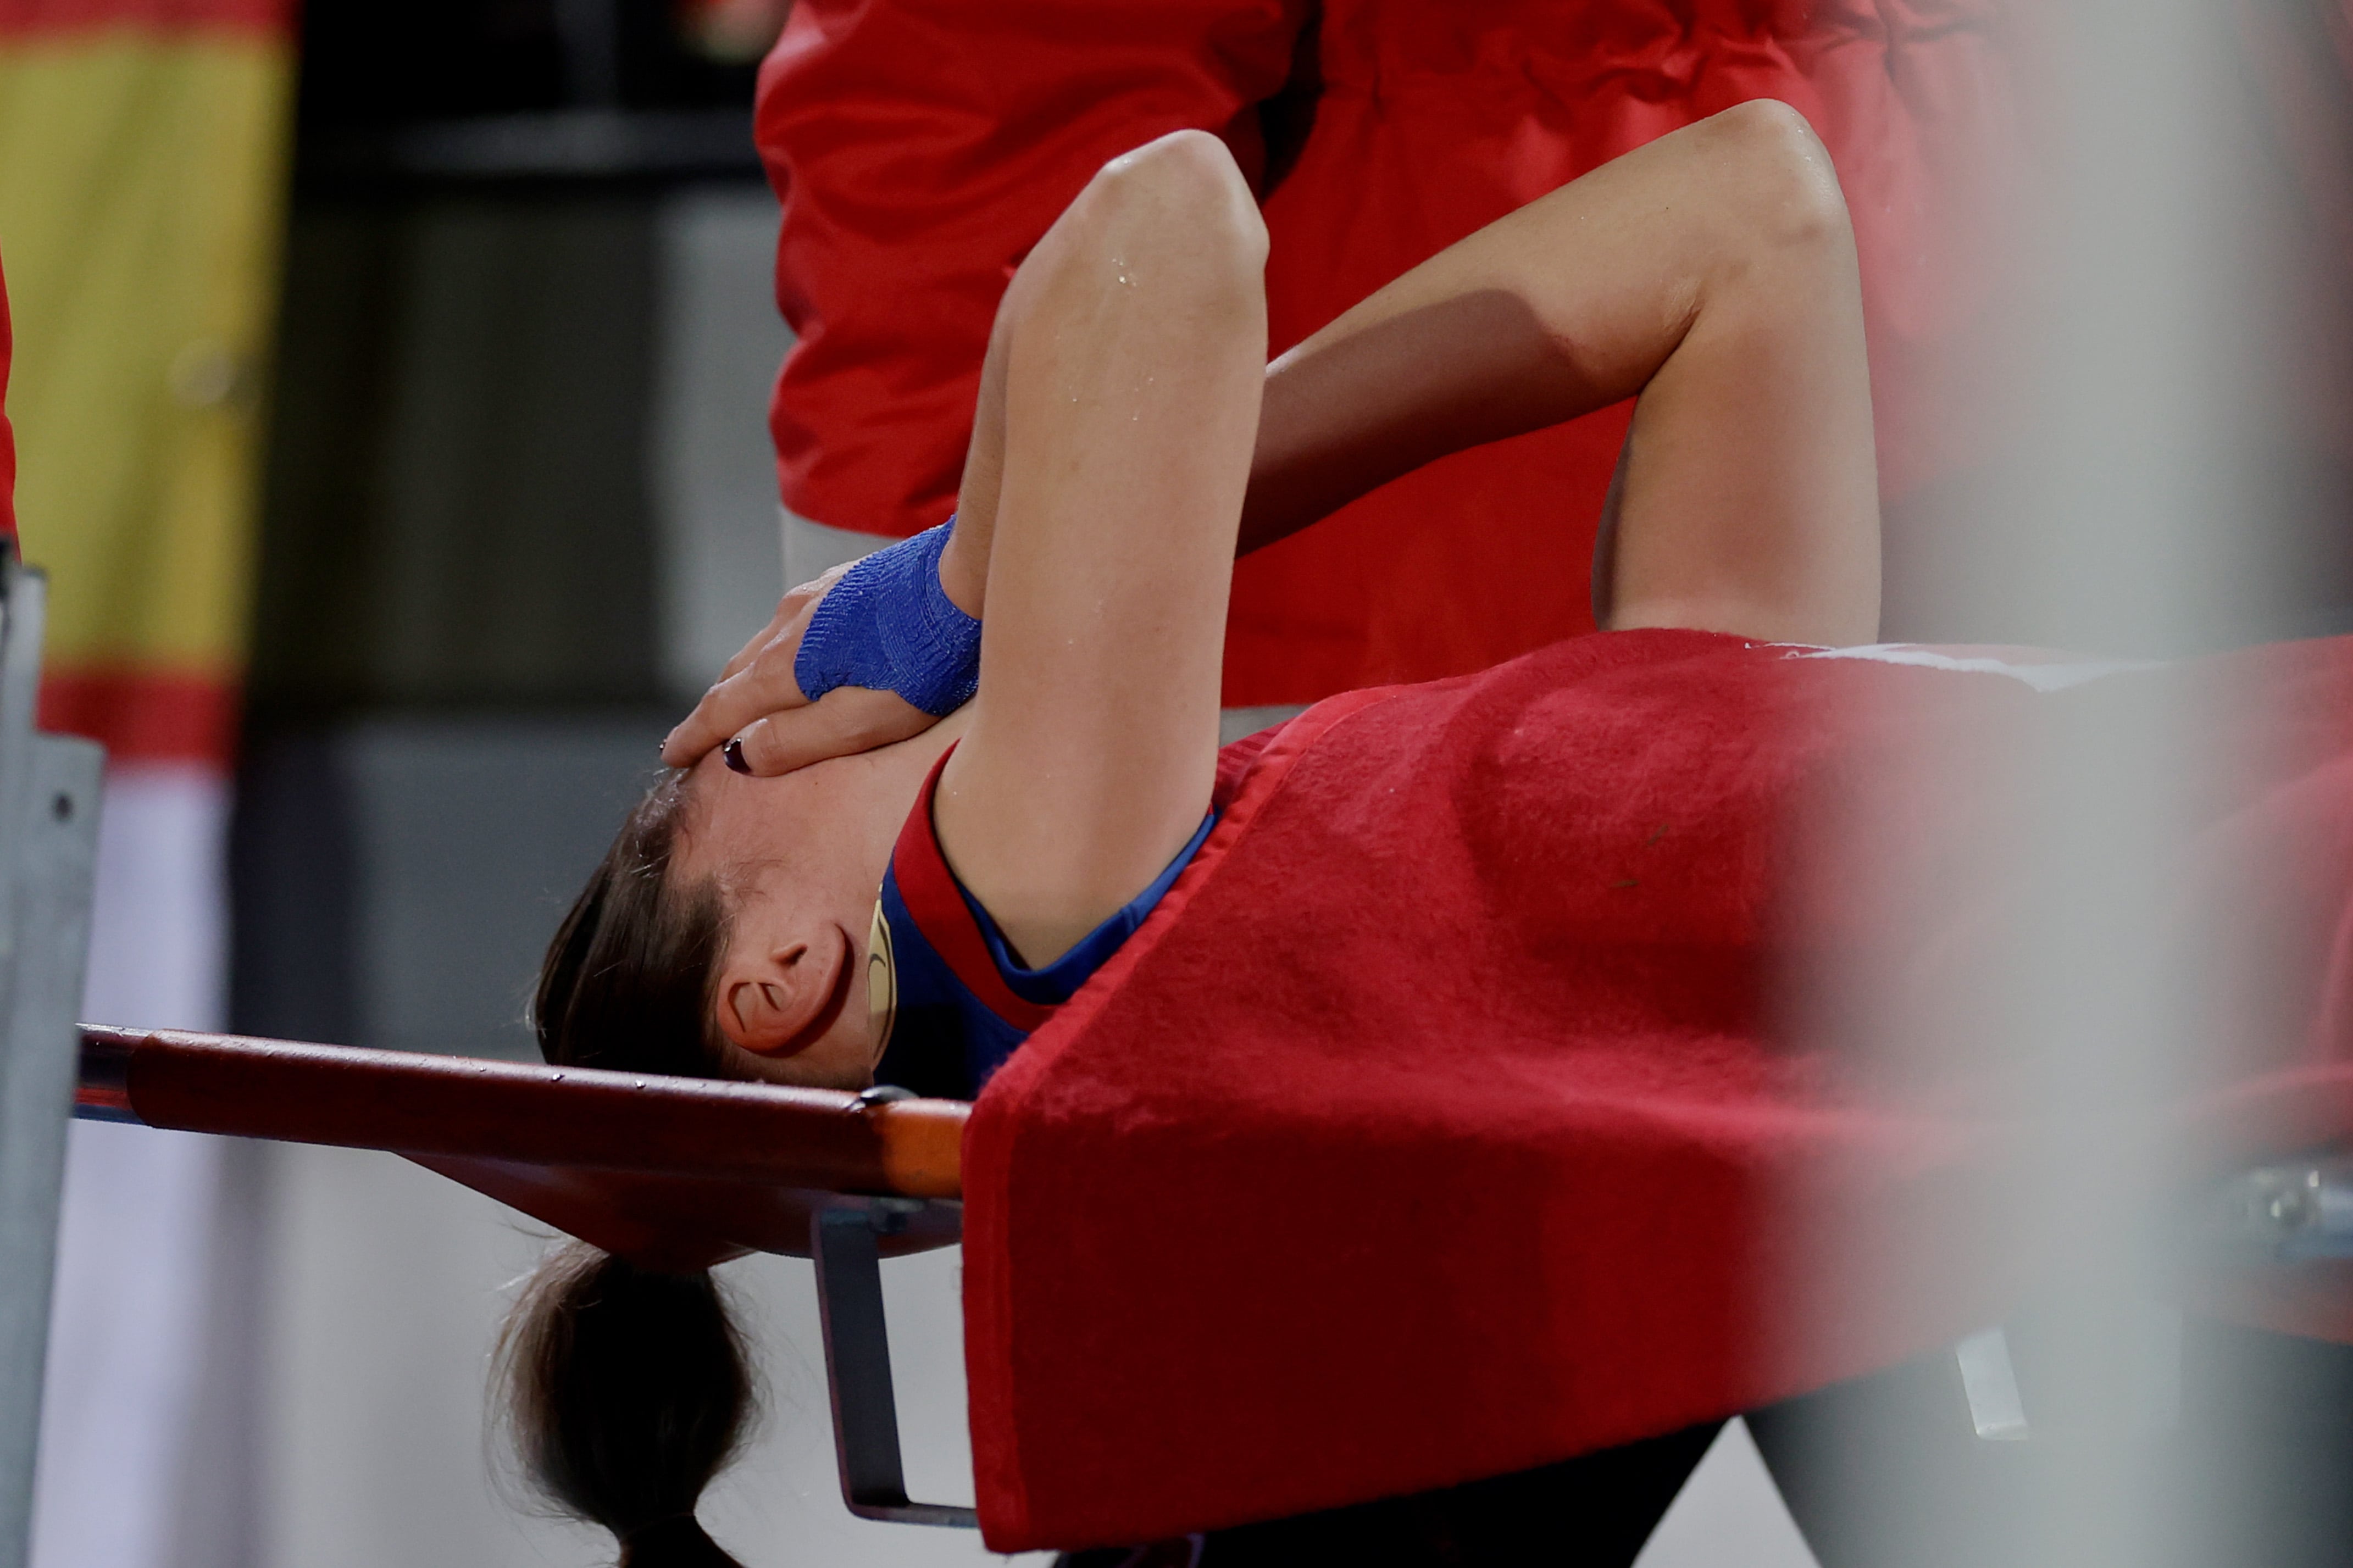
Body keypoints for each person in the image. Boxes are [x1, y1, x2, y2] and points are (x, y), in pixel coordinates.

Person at [505, 100, 1881, 1567]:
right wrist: (959, 583)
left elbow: (1753, 210)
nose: (767, 695)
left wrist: (1024, 551)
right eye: (714, 763)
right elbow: (1168, 215)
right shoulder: (1028, 914)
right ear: (785, 976)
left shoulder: (1457, 905)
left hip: (1812, 922)